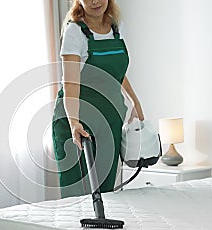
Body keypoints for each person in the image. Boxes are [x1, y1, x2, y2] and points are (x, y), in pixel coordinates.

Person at [52, 0, 144, 198]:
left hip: (109, 117)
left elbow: (116, 73)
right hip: (75, 117)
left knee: (106, 188)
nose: (95, 1)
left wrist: (135, 102)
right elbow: (71, 83)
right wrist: (73, 122)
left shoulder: (117, 28)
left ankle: (103, 229)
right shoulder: (74, 31)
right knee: (75, 191)